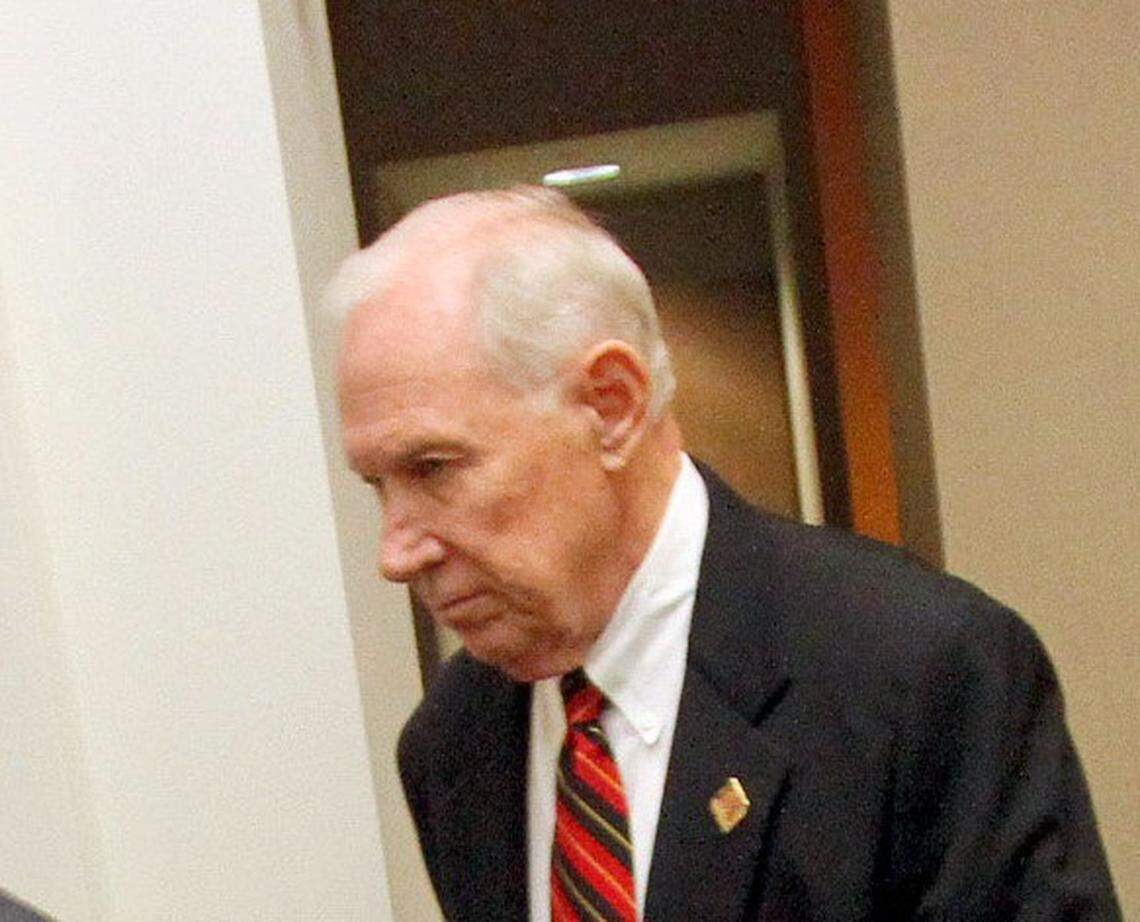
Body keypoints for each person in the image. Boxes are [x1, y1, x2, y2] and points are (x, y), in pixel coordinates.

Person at [328, 187, 1120, 921]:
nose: (396, 552)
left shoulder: (921, 676)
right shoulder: (454, 746)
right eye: (378, 486)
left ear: (612, 406)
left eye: (434, 469)